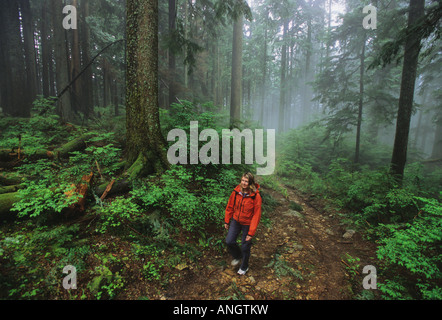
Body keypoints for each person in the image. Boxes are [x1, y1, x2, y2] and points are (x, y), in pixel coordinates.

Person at [224, 172, 262, 275]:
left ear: (250, 183)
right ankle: (237, 255)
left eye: (246, 181)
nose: (244, 183)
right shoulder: (236, 192)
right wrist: (227, 220)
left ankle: (244, 266)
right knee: (229, 241)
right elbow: (230, 206)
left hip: (248, 224)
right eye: (242, 181)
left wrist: (251, 232)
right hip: (236, 220)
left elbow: (256, 215)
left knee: (245, 247)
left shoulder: (255, 196)